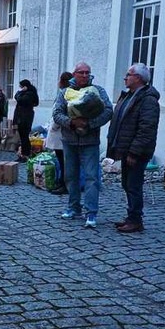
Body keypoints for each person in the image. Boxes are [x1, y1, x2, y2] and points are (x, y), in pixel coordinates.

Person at [52, 61, 113, 228]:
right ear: (75, 74)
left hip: (90, 141)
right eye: (81, 72)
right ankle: (73, 207)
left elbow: (108, 111)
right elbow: (57, 113)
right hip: (69, 141)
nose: (85, 75)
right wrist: (72, 122)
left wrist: (89, 123)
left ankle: (91, 213)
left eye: (87, 72)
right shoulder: (65, 92)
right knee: (70, 176)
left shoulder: (98, 91)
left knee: (92, 177)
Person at [106, 63, 160, 233]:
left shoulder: (148, 99)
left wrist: (134, 152)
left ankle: (135, 220)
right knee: (127, 184)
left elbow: (147, 128)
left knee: (133, 185)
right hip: (126, 150)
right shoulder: (129, 95)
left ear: (138, 78)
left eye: (128, 74)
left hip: (136, 152)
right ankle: (131, 216)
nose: (125, 77)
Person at [47, 71, 73, 195]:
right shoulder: (67, 93)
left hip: (60, 132)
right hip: (61, 132)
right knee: (62, 160)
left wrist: (53, 126)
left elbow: (59, 113)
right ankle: (62, 182)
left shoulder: (65, 94)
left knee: (63, 161)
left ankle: (64, 184)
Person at [13, 79, 39, 162]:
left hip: (25, 118)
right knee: (23, 137)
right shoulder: (27, 93)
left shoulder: (29, 94)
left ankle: (25, 155)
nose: (20, 88)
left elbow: (20, 99)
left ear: (25, 86)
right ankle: (24, 154)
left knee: (24, 137)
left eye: (21, 86)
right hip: (23, 117)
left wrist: (19, 92)